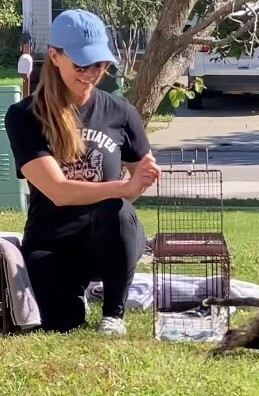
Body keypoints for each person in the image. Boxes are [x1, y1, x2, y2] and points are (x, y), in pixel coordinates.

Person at [4, 9, 160, 335]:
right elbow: (59, 191)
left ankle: (113, 314)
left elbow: (140, 171)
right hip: (52, 240)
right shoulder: (24, 116)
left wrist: (141, 179)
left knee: (117, 212)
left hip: (107, 237)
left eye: (100, 65)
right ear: (54, 56)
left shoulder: (120, 111)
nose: (91, 73)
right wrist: (124, 186)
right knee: (60, 323)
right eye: (81, 65)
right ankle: (81, 295)